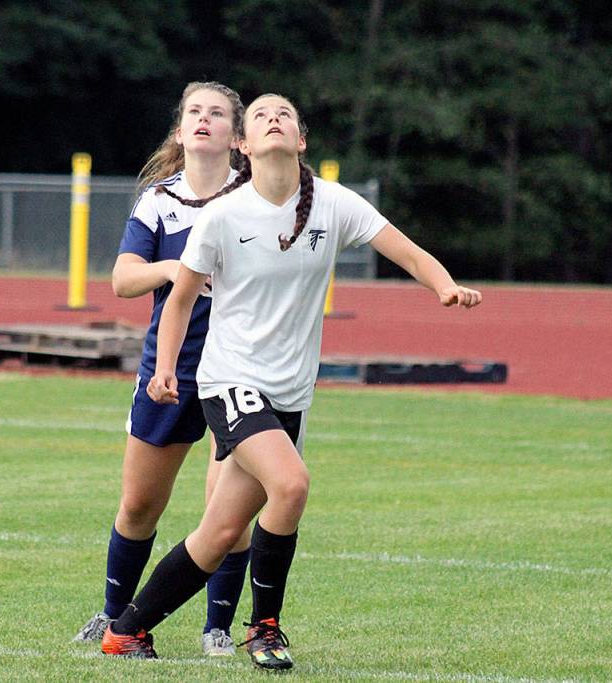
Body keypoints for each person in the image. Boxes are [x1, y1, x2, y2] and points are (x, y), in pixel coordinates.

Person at [100, 93, 482, 669]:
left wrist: (444, 284)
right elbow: (178, 301)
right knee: (292, 484)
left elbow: (405, 251)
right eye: (260, 115)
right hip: (227, 381)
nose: (274, 118)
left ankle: (127, 631)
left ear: (300, 140)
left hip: (290, 392)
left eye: (285, 115)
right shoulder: (222, 216)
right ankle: (265, 628)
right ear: (245, 146)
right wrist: (162, 370)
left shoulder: (332, 204)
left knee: (221, 530)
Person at [73, 82, 255, 657]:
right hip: (168, 367)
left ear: (237, 137)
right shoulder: (158, 200)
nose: (204, 120)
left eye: (218, 114)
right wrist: (178, 267)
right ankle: (112, 616)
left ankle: (218, 628)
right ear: (181, 131)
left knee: (229, 510)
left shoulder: (255, 199)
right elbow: (124, 279)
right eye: (194, 113)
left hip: (240, 367)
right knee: (138, 506)